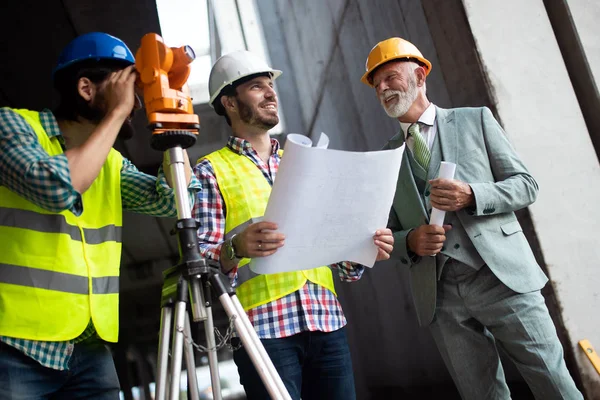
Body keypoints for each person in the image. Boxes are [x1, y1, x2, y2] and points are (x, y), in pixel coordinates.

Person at [360, 37, 584, 399]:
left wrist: (473, 194)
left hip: (501, 277)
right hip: (439, 295)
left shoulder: (474, 119)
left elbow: (526, 185)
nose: (382, 88)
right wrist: (410, 241)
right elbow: (382, 232)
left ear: (419, 75)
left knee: (553, 383)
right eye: (376, 84)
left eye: (389, 77)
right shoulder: (383, 159)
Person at [0, 32, 200, 399]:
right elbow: (56, 186)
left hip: (89, 349)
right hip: (15, 346)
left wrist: (174, 123)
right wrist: (117, 111)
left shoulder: (110, 162)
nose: (135, 102)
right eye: (126, 85)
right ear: (86, 88)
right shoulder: (12, 125)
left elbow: (174, 201)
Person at [192, 50, 394, 400]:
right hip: (263, 331)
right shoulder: (210, 171)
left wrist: (364, 247)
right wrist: (234, 247)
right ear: (229, 102)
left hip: (326, 320)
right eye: (257, 87)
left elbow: (344, 267)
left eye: (271, 86)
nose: (271, 93)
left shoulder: (305, 164)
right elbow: (202, 270)